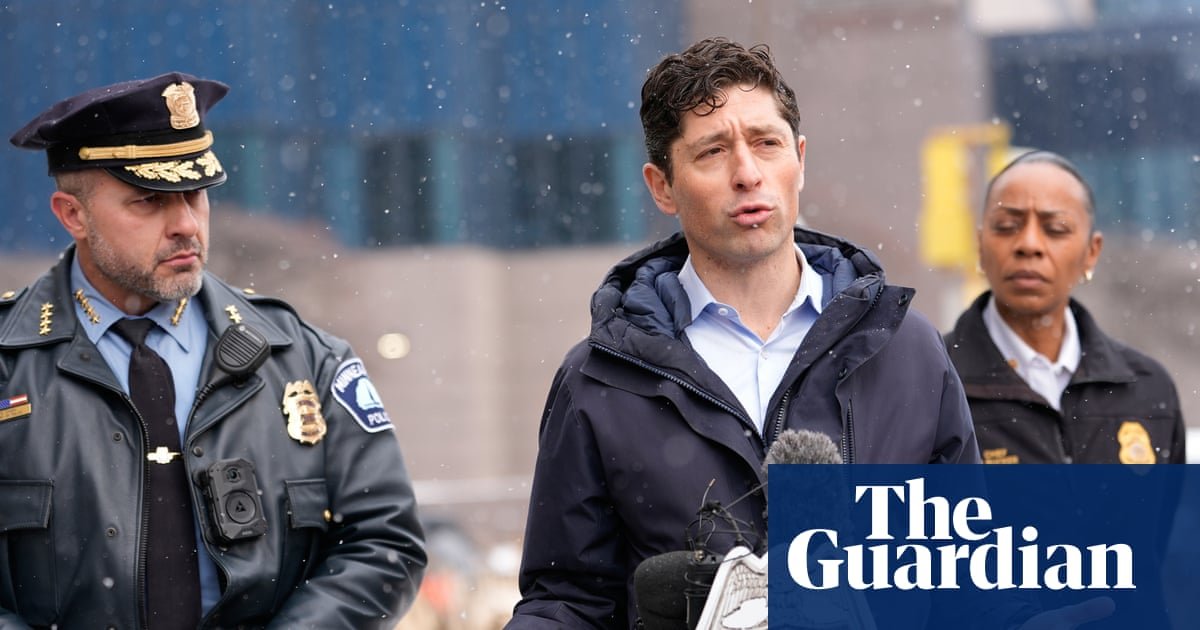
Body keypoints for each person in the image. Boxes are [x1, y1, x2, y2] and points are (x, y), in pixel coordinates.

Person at [505, 37, 982, 629]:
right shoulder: (598, 379)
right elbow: (569, 600)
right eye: (712, 152)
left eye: (766, 143)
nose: (748, 174)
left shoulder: (907, 349)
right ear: (662, 186)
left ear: (799, 159)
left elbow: (965, 581)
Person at [0, 72, 425, 628]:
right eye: (149, 201)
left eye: (195, 195)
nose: (185, 225)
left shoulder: (303, 359)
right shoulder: (9, 368)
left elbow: (385, 543)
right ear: (72, 215)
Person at [944, 150, 1186, 464]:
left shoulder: (1147, 391)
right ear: (980, 244)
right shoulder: (934, 384)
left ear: (1091, 252)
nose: (1029, 244)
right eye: (1006, 226)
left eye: (1056, 228)